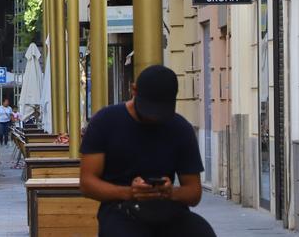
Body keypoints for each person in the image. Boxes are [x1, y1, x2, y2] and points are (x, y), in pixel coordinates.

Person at [78, 65, 215, 236]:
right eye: (148, 110)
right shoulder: (105, 122)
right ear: (133, 90)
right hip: (120, 209)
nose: (154, 118)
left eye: (161, 112)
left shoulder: (180, 128)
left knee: (201, 231)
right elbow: (87, 183)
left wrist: (169, 192)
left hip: (167, 209)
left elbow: (194, 193)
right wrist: (130, 192)